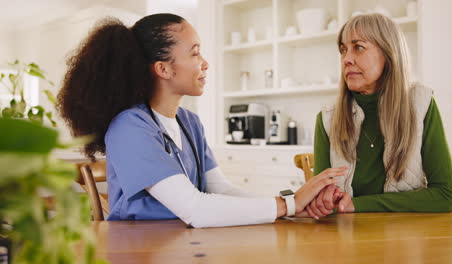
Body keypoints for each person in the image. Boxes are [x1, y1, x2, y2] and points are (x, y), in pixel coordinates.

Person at [57, 13, 345, 228]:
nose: (205, 63)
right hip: (141, 251)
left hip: (188, 242)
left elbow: (220, 189)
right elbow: (195, 208)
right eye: (195, 53)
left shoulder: (188, 121)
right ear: (163, 69)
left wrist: (288, 205)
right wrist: (290, 203)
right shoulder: (130, 127)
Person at [305, 13, 452, 219]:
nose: (346, 59)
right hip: (345, 242)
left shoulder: (420, 103)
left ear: (388, 54)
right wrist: (322, 200)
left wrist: (358, 205)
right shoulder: (327, 118)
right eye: (343, 50)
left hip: (405, 241)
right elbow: (322, 200)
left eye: (358, 47)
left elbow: (444, 195)